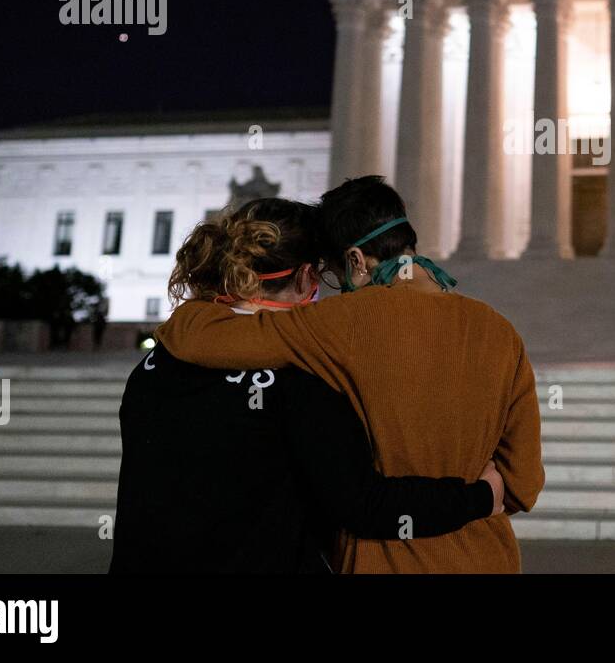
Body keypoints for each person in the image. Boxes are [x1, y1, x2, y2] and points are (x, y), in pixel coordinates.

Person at [156, 176, 545, 573]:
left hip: (382, 559)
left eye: (334, 275)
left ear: (357, 261)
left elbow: (197, 340)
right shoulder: (500, 331)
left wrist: (200, 292)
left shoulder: (339, 323)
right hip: (487, 557)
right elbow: (524, 481)